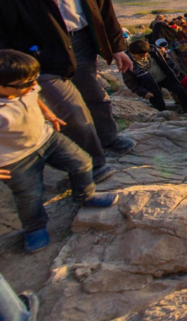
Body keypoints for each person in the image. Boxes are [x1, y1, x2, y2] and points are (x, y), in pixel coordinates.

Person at [0, 0, 135, 183]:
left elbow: (105, 11)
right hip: (40, 54)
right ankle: (93, 164)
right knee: (72, 110)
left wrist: (117, 47)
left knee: (96, 97)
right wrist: (14, 65)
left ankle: (108, 138)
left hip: (82, 43)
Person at [0, 50, 120, 253]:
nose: (32, 86)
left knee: (82, 161)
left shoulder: (25, 86)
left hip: (48, 138)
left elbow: (35, 96)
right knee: (29, 195)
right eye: (25, 84)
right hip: (14, 159)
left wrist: (48, 114)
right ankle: (34, 227)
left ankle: (85, 195)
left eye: (33, 80)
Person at [121, 39, 187, 113]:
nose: (145, 56)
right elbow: (130, 82)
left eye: (146, 53)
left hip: (164, 77)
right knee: (158, 103)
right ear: (132, 53)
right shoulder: (127, 63)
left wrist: (175, 70)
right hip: (149, 84)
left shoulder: (155, 51)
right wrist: (143, 92)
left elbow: (168, 60)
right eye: (141, 55)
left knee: (181, 90)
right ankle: (165, 117)